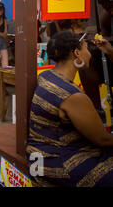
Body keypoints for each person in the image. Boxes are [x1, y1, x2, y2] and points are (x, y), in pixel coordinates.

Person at [26, 31, 113, 187]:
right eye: (87, 48)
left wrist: (110, 52)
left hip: (38, 157)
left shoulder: (46, 76)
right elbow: (103, 139)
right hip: (61, 165)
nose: (90, 54)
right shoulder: (72, 96)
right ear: (77, 53)